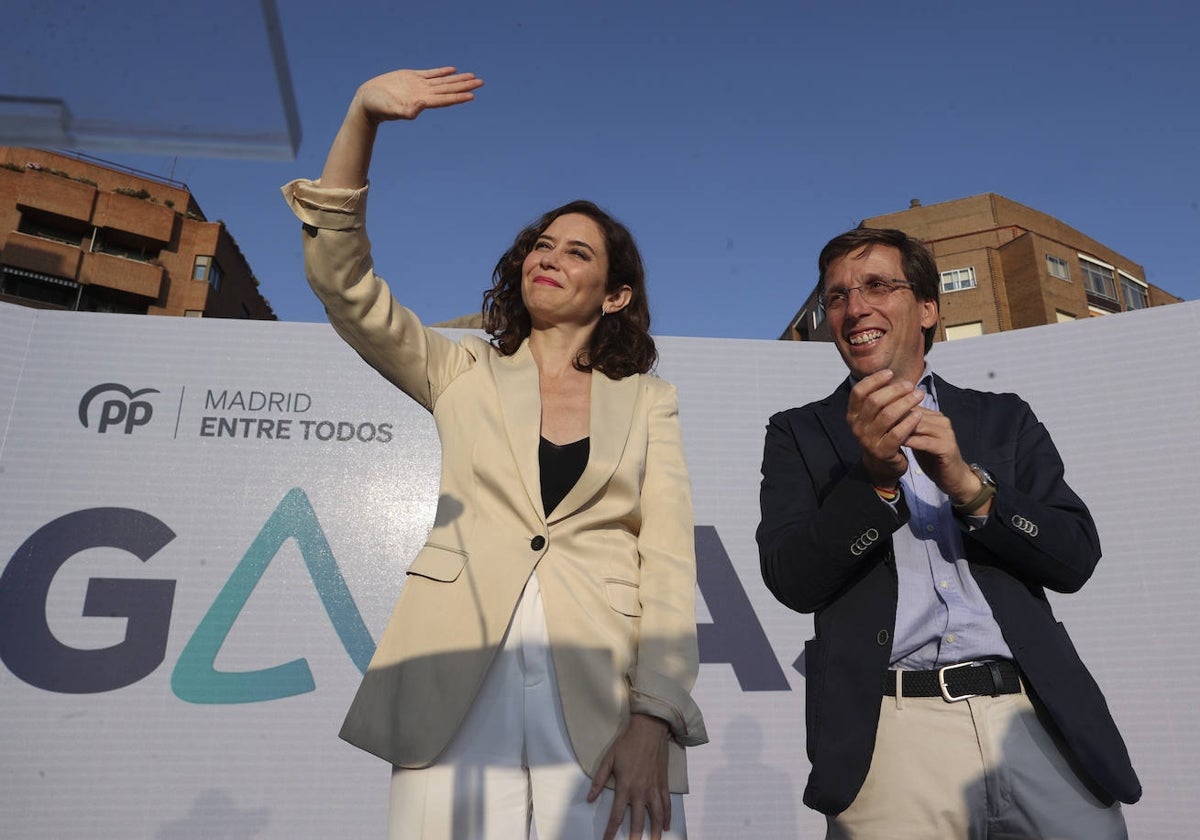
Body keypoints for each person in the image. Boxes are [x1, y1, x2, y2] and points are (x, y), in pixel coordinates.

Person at [281, 67, 706, 840]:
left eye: (578, 252)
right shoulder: (462, 368)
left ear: (615, 294)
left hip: (602, 697)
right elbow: (343, 284)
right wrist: (362, 119)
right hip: (454, 681)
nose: (550, 257)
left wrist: (656, 717)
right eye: (542, 244)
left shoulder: (649, 401)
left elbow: (670, 566)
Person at [756, 227, 1140, 838]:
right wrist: (875, 484)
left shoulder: (1003, 417)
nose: (855, 307)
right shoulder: (798, 433)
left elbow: (1074, 558)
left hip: (1034, 721)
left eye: (878, 285)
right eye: (836, 297)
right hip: (890, 735)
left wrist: (972, 487)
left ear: (929, 308)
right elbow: (792, 578)